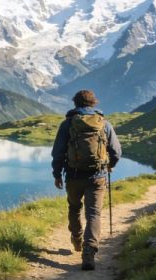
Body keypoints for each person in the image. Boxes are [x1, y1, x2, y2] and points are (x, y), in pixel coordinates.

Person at [51, 89, 121, 270]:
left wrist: (57, 174)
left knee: (74, 207)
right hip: (97, 176)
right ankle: (89, 250)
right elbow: (116, 151)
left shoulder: (67, 124)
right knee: (93, 214)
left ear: (75, 103)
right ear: (93, 103)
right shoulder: (104, 123)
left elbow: (58, 153)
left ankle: (77, 238)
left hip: (73, 176)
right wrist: (109, 165)